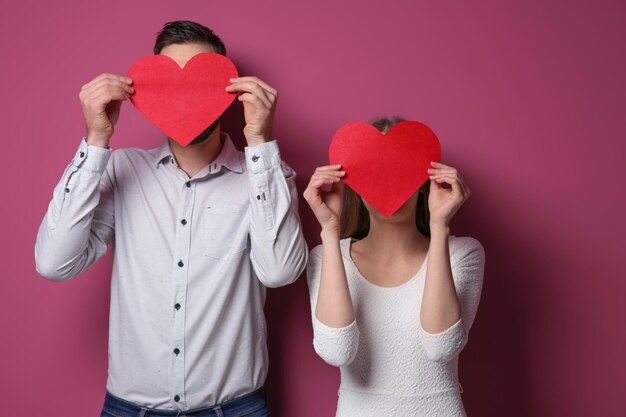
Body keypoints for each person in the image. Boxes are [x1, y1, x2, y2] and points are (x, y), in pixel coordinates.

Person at [35, 21, 307, 417]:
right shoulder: (120, 169)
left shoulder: (265, 176)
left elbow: (280, 271)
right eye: (172, 81)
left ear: (229, 91)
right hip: (129, 408)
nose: (186, 95)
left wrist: (261, 143)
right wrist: (96, 141)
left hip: (235, 408)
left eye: (200, 80)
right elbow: (53, 262)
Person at [303, 117, 485, 416]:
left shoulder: (462, 253)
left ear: (424, 183)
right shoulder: (326, 256)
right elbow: (337, 350)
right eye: (373, 174)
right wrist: (330, 231)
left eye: (402, 172)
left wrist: (440, 226)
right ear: (354, 184)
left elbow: (440, 347)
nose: (389, 186)